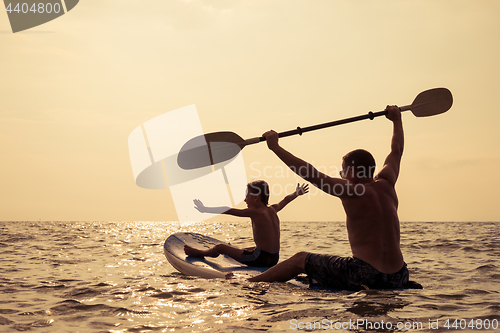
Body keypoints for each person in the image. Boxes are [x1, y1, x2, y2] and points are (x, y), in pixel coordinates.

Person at [248, 105, 417, 290]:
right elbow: (396, 151)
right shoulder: (387, 182)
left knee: (299, 259)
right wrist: (397, 120)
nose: (341, 174)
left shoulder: (352, 189)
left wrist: (275, 148)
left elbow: (311, 174)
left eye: (342, 170)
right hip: (399, 276)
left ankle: (249, 284)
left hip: (366, 275)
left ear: (351, 171)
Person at [184, 180, 309, 267]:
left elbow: (228, 210)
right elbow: (286, 199)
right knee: (250, 249)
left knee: (220, 247)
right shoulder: (273, 209)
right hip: (274, 258)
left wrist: (206, 209)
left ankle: (200, 253)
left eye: (247, 196)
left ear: (255, 198)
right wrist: (297, 193)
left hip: (260, 259)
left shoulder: (255, 212)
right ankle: (232, 252)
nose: (245, 200)